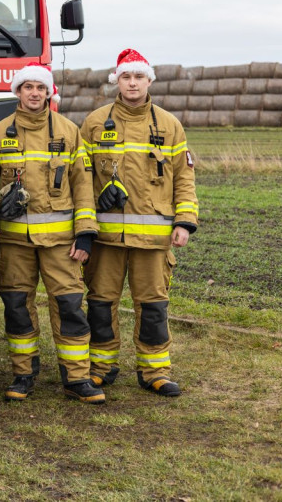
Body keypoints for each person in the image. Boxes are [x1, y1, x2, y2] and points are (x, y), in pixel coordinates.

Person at [80, 49, 199, 397]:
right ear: (116, 81)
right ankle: (101, 367)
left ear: (149, 81)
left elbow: (185, 178)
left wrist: (185, 221)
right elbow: (80, 179)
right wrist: (85, 228)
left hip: (154, 238)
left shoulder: (169, 125)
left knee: (153, 306)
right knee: (101, 303)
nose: (132, 83)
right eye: (126, 77)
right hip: (106, 237)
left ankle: (154, 371)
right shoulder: (94, 123)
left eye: (139, 77)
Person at [0, 63, 106, 404]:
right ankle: (23, 375)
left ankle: (77, 379)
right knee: (16, 307)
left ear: (49, 92)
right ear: (17, 92)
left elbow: (83, 185)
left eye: (40, 87)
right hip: (12, 244)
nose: (34, 93)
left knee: (69, 306)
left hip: (61, 244)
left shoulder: (69, 131)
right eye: (28, 87)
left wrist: (85, 234)